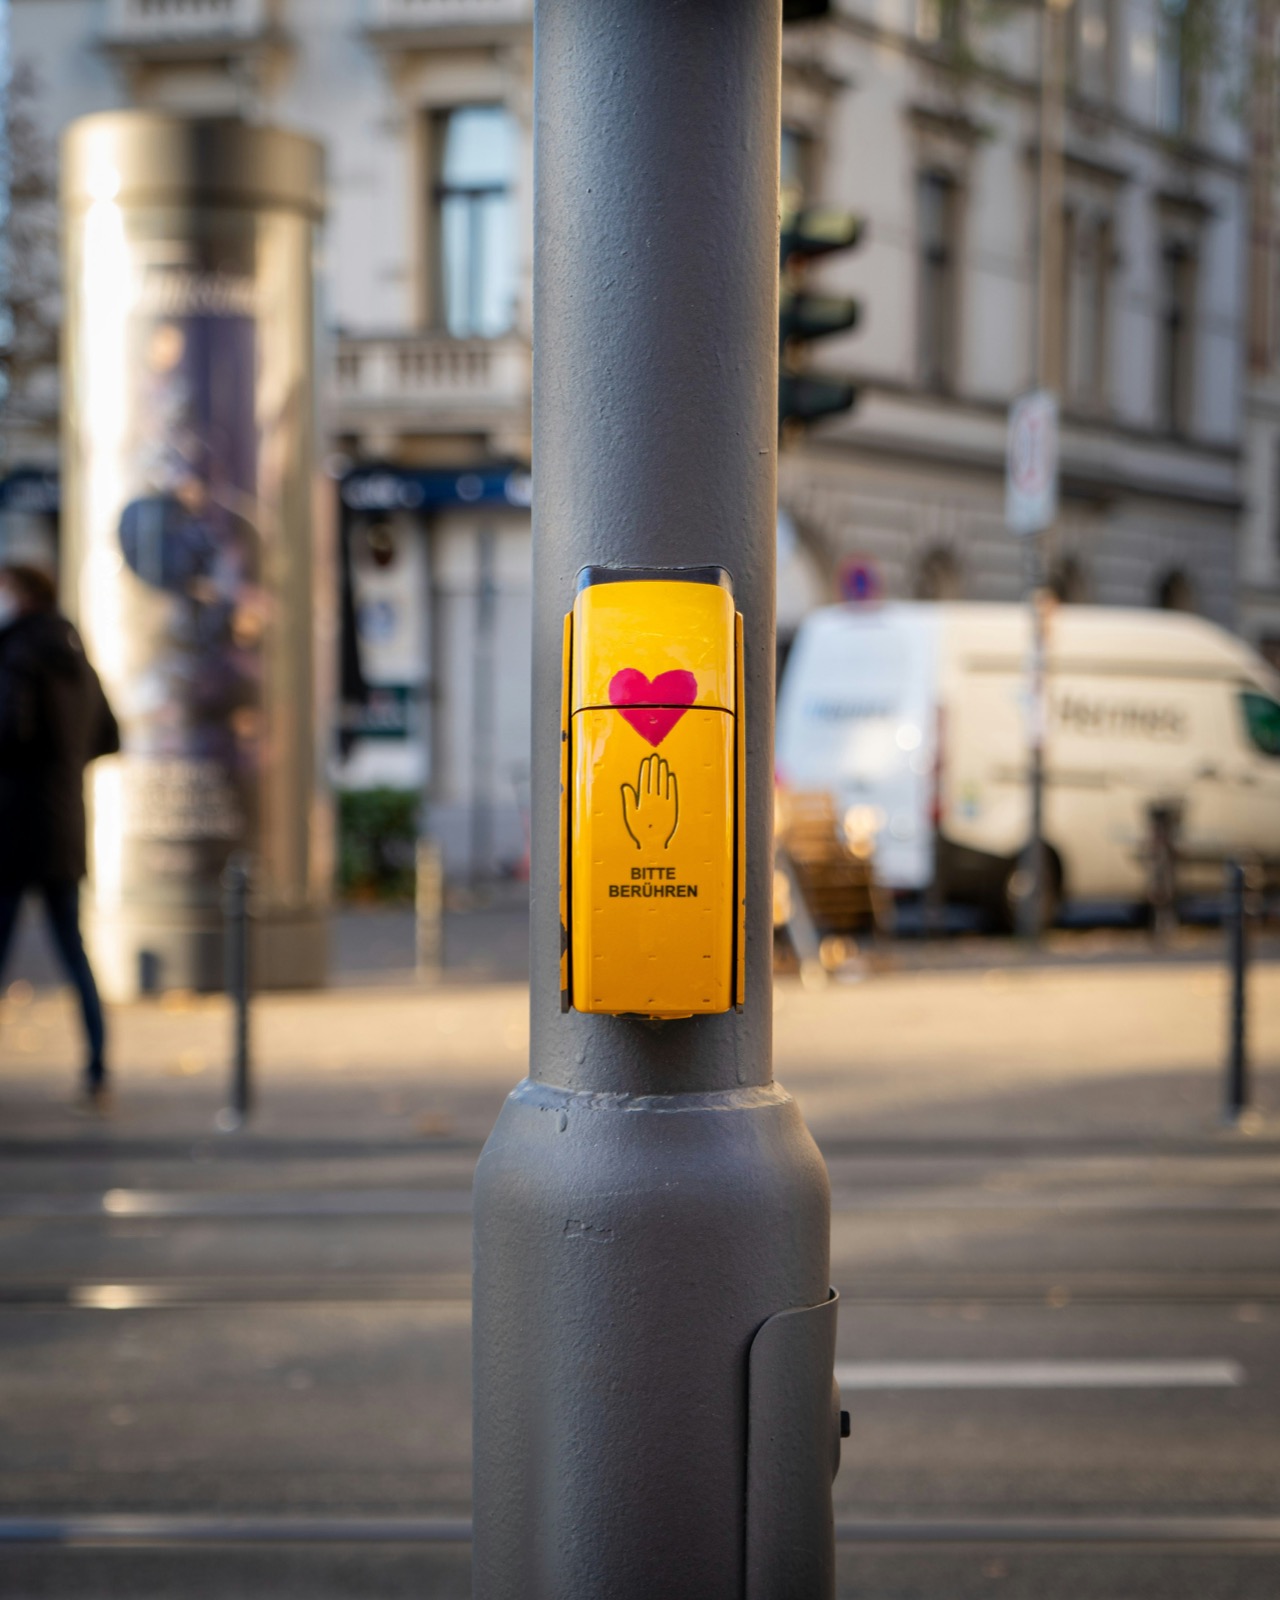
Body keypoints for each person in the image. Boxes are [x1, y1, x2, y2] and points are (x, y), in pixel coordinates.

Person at [0, 563, 119, 1112]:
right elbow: (109, 734)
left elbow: (11, 729)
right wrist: (64, 766)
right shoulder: (76, 656)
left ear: (20, 595)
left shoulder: (19, 655)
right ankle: (98, 1067)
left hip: (14, 822)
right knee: (73, 950)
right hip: (66, 820)